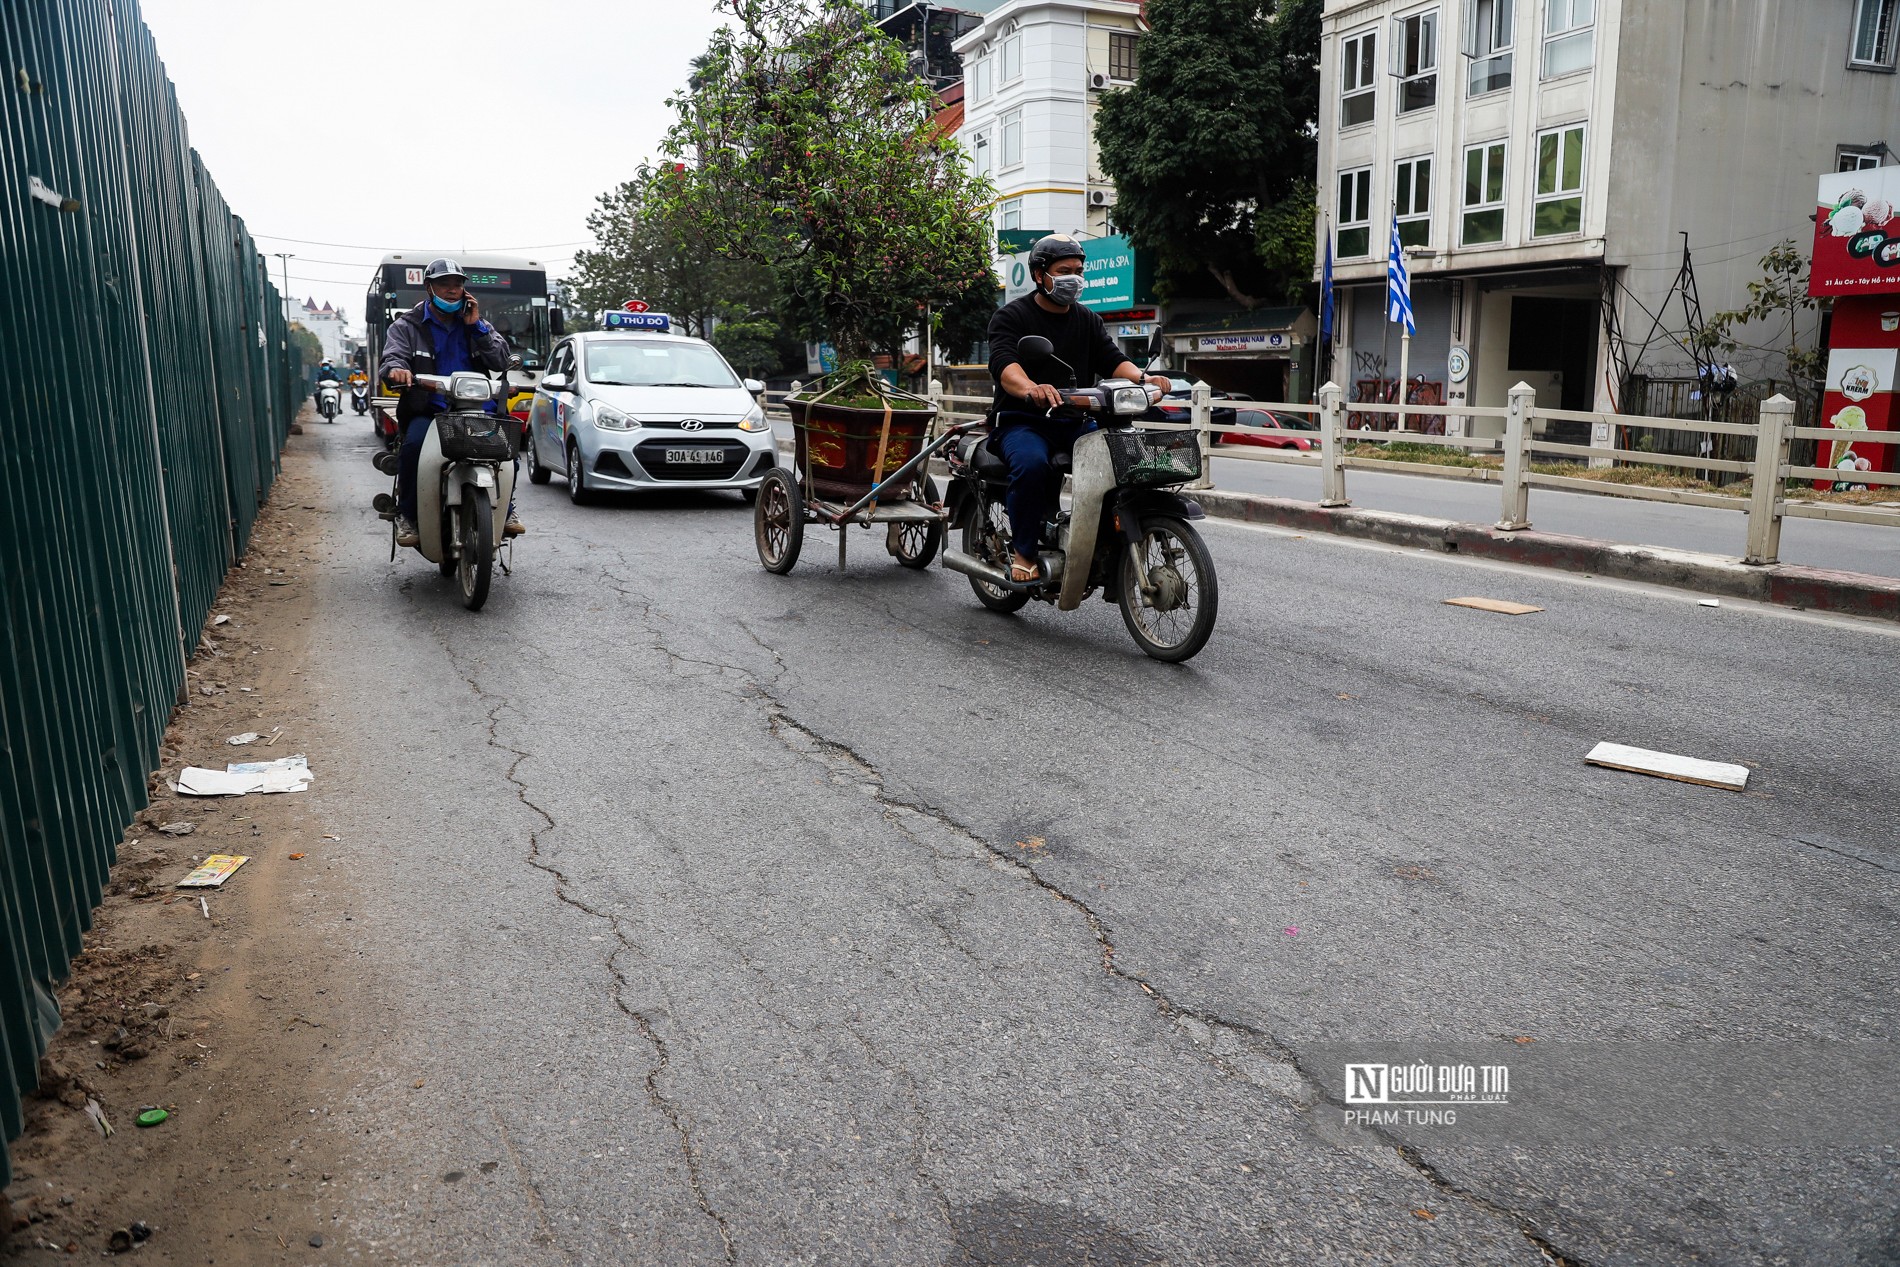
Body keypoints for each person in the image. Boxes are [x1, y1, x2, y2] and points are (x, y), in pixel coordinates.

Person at [986, 234, 1169, 582]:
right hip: (1023, 422)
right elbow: (1004, 366)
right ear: (1040, 275)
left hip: (1075, 420)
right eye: (1064, 270)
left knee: (1124, 457)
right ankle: (1024, 553)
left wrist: (1144, 378)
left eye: (1079, 271)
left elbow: (1113, 359)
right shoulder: (1012, 316)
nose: (1074, 278)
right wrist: (1031, 388)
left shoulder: (1087, 319)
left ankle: (1101, 540)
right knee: (1031, 465)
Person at [378, 258, 522, 545]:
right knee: (413, 449)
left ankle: (506, 510)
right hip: (428, 408)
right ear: (429, 288)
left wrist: (477, 327)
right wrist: (398, 369)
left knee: (509, 454)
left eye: (457, 284)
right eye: (444, 284)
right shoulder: (407, 325)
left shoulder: (477, 324)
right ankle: (407, 515)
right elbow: (393, 356)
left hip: (477, 409)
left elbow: (501, 360)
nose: (452, 290)